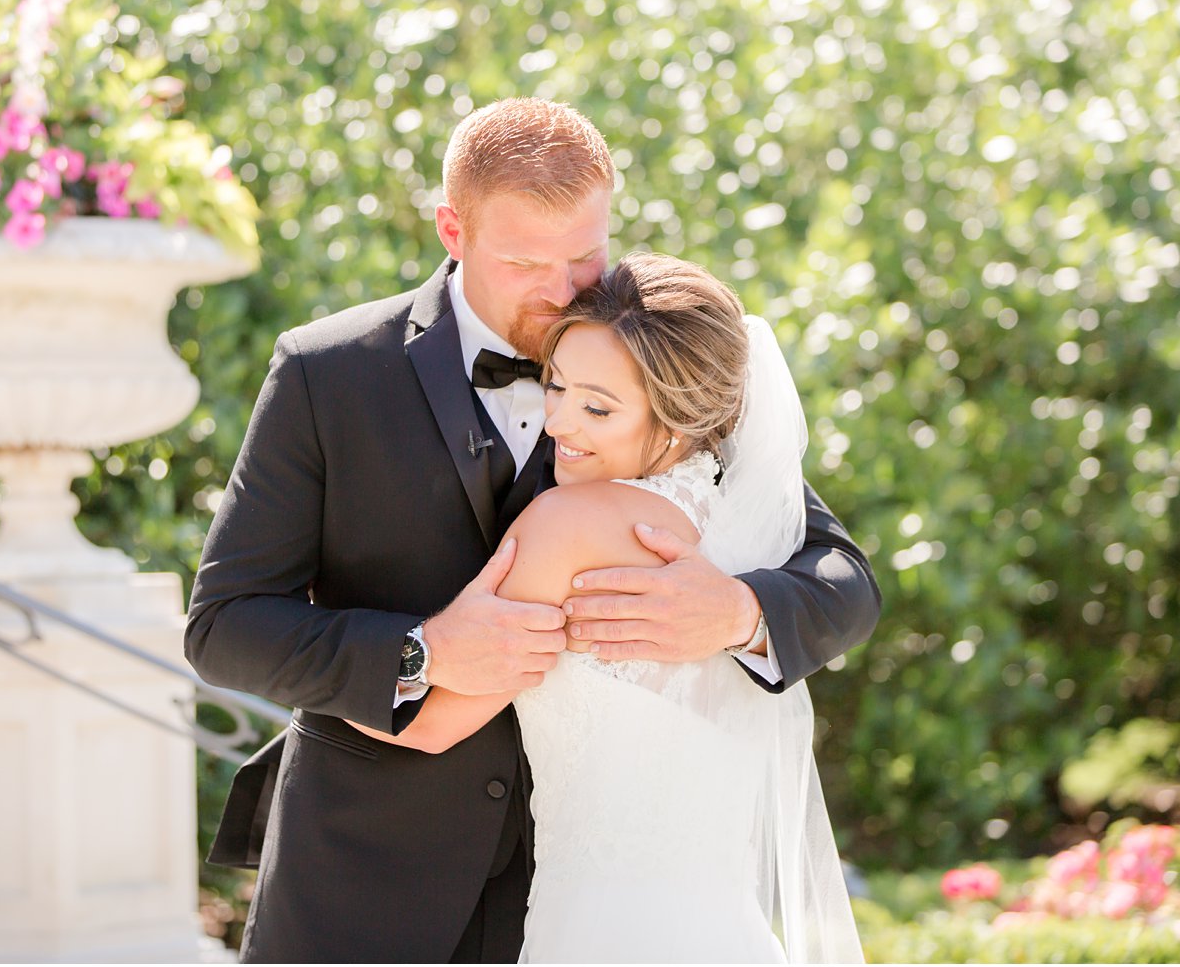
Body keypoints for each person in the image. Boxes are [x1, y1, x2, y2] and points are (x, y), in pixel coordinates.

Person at [185, 98, 879, 963]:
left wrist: (738, 614)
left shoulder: (668, 370)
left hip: (587, 902)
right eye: (523, 262)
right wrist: (420, 653)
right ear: (452, 229)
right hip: (366, 889)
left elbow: (843, 578)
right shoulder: (328, 375)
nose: (561, 291)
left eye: (585, 255)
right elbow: (224, 626)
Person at [349, 253, 863, 962]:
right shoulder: (754, 528)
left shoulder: (568, 525)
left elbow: (430, 724)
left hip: (603, 933)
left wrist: (327, 633)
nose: (559, 420)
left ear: (679, 421)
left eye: (598, 407)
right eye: (554, 386)